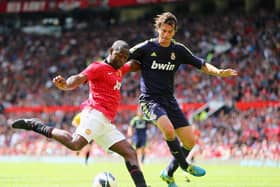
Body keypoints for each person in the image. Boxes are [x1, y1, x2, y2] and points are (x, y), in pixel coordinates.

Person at [11, 40, 149, 187]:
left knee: (130, 153)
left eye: (124, 57)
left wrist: (153, 54)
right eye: (119, 55)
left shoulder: (120, 68)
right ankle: (36, 125)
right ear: (110, 51)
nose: (121, 59)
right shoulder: (98, 67)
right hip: (94, 114)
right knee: (75, 144)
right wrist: (66, 85)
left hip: (106, 122)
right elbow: (78, 78)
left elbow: (135, 65)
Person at [129, 12, 238, 187]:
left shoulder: (178, 50)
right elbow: (123, 57)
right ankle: (185, 165)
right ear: (158, 29)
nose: (165, 35)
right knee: (168, 130)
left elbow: (200, 64)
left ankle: (168, 174)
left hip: (169, 100)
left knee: (190, 141)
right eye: (163, 31)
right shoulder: (146, 47)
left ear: (174, 32)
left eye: (169, 32)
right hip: (149, 100)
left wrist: (218, 72)